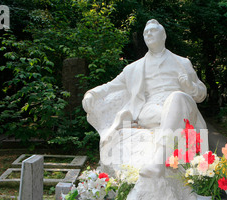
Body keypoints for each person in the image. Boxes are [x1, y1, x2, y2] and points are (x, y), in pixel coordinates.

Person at [82, 19, 207, 177]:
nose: (148, 33)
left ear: (163, 36)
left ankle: (158, 162)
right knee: (172, 103)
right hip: (151, 109)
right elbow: (109, 86)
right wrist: (91, 94)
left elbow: (201, 94)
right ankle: (159, 163)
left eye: (153, 30)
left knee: (177, 97)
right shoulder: (134, 68)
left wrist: (190, 87)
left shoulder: (182, 62)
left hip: (183, 107)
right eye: (145, 32)